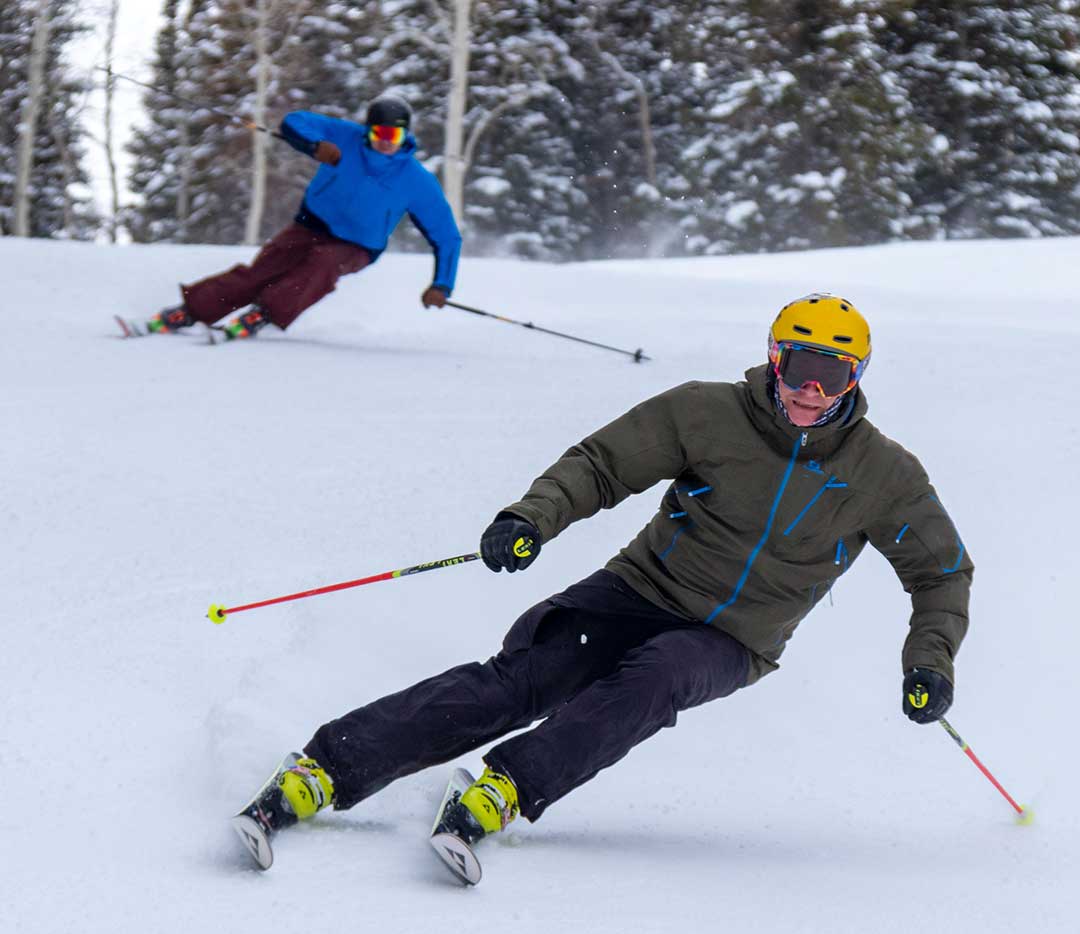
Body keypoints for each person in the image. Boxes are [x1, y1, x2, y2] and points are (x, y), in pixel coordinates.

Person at [237, 293, 973, 861]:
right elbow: (602, 465)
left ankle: (507, 790)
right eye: (798, 366)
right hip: (638, 590)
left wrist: (929, 664)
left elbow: (941, 574)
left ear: (855, 379)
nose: (811, 389)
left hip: (733, 638)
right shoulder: (706, 412)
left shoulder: (884, 475)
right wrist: (531, 519)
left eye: (832, 373)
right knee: (527, 676)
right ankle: (324, 770)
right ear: (773, 359)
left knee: (657, 675)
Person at [144, 96, 461, 341]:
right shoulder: (346, 137)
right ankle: (192, 311)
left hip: (358, 245)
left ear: (405, 136)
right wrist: (313, 145)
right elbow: (294, 121)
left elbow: (447, 237)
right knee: (264, 269)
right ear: (368, 129)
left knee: (323, 263)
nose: (386, 141)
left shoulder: (417, 181)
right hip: (312, 223)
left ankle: (265, 313)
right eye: (379, 132)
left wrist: (442, 285)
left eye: (394, 134)